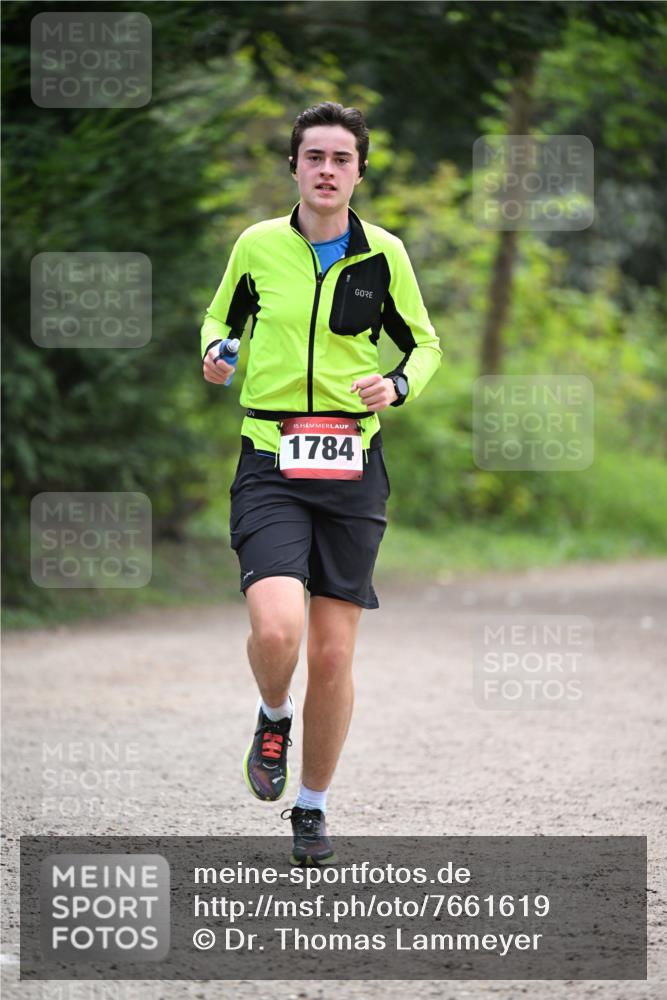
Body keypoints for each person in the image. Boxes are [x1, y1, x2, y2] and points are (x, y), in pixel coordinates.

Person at [201, 101, 441, 865]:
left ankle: (311, 806)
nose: (327, 170)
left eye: (341, 158)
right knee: (277, 629)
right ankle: (273, 714)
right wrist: (217, 353)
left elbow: (424, 343)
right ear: (295, 167)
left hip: (350, 466)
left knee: (334, 656)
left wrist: (398, 387)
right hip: (270, 456)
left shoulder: (386, 255)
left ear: (359, 171)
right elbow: (218, 321)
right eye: (314, 157)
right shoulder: (256, 246)